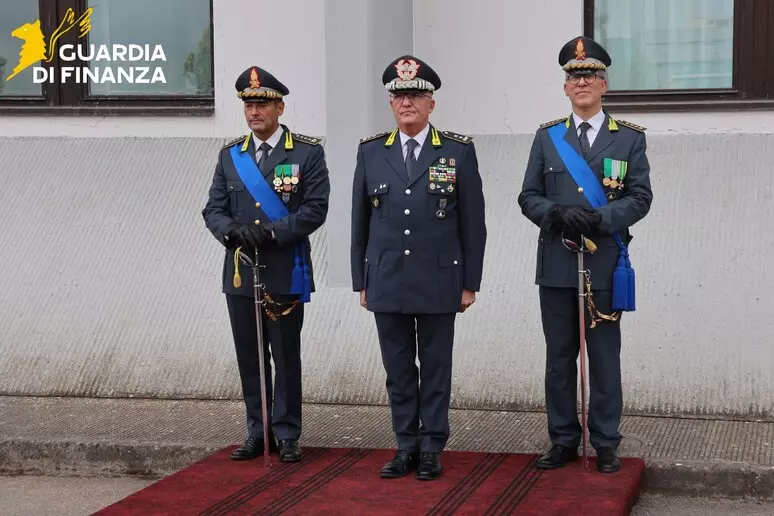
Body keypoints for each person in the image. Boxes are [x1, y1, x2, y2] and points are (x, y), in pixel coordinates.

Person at [517, 36, 653, 473]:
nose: (582, 82)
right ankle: (563, 440)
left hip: (605, 265)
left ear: (604, 84)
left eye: (590, 75)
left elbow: (640, 197)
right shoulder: (547, 137)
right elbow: (528, 196)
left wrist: (602, 219)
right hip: (558, 262)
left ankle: (607, 441)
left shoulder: (628, 140)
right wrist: (557, 214)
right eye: (574, 76)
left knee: (604, 357)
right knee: (559, 359)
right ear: (565, 86)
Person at [350, 55, 487, 481]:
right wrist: (361, 280)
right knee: (397, 370)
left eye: (415, 95)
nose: (406, 102)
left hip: (439, 279)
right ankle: (405, 444)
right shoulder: (371, 152)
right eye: (399, 96)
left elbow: (473, 224)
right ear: (391, 104)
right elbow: (359, 222)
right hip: (387, 277)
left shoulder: (458, 151)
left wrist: (469, 283)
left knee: (435, 368)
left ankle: (432, 446)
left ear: (431, 103)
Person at [202, 65, 330, 463]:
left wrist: (273, 233)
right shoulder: (231, 156)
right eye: (249, 105)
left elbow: (315, 209)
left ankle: (288, 433)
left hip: (284, 266)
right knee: (251, 355)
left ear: (280, 107)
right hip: (242, 270)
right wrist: (235, 231)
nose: (255, 112)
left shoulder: (307, 152)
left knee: (285, 354)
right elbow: (213, 210)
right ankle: (258, 432)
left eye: (262, 104)